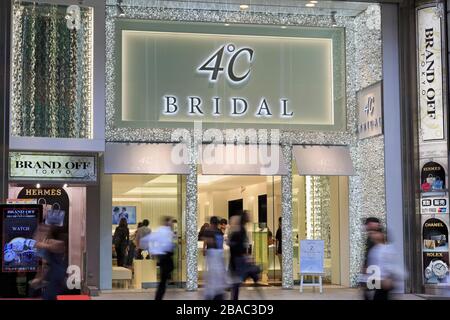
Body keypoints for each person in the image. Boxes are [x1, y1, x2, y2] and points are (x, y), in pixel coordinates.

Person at [228, 210, 262, 300]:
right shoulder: (240, 231)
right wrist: (246, 256)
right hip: (238, 261)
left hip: (237, 261)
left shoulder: (240, 230)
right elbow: (238, 247)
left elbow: (236, 246)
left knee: (237, 283)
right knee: (238, 281)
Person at [145, 216, 175, 300]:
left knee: (163, 280)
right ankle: (158, 297)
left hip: (165, 256)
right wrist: (154, 251)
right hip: (164, 256)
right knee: (163, 280)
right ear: (167, 222)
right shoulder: (163, 230)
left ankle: (158, 296)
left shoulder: (168, 231)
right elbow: (152, 239)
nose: (172, 223)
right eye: (171, 221)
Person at [35, 226, 67, 300]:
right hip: (51, 274)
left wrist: (42, 245)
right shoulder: (44, 243)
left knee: (51, 295)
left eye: (44, 231)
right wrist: (39, 278)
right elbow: (44, 264)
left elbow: (59, 246)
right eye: (40, 231)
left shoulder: (54, 242)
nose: (41, 233)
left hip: (57, 274)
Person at [366, 228, 395, 300]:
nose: (373, 235)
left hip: (384, 282)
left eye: (376, 233)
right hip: (376, 282)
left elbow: (391, 265)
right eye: (372, 233)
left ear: (382, 235)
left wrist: (388, 277)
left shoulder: (388, 249)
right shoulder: (373, 250)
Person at [203, 216, 227, 300]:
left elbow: (206, 240)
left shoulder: (208, 230)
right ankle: (216, 292)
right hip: (216, 253)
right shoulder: (218, 231)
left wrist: (204, 248)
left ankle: (212, 292)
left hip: (212, 253)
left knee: (212, 273)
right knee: (216, 273)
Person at [361, 217, 381, 300]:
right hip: (372, 269)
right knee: (370, 291)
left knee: (374, 291)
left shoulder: (379, 235)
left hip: (376, 269)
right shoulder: (370, 236)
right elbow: (368, 253)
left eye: (368, 224)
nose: (366, 226)